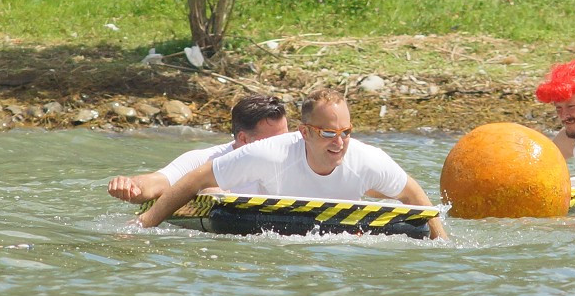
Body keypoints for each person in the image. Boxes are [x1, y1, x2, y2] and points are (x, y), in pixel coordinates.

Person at [134, 89, 449, 239]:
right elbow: (196, 178)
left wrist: (444, 245)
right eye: (328, 133)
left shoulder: (367, 160)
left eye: (346, 132)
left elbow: (413, 194)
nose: (339, 143)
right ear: (305, 132)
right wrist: (144, 225)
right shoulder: (270, 153)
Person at [107, 94, 289, 204]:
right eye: (274, 140)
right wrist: (130, 186)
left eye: (287, 136)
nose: (284, 144)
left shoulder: (299, 153)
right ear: (244, 139)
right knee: (212, 192)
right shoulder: (203, 161)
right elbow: (158, 182)